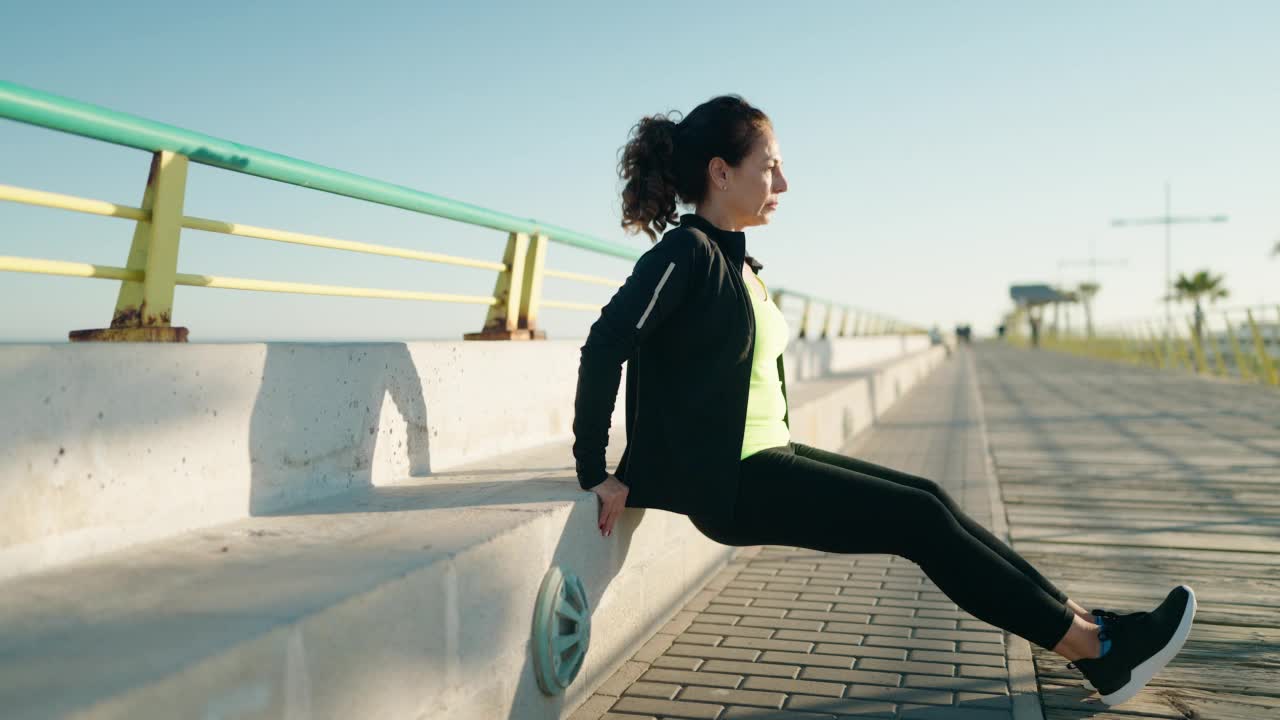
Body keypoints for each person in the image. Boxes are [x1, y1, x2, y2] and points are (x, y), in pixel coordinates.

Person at [570, 94, 1196, 707]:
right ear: (720, 172)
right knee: (918, 523)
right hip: (733, 482)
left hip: (766, 455)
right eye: (769, 166)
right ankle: (1097, 650)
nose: (782, 182)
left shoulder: (741, 264)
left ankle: (1091, 627)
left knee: (930, 499)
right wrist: (596, 471)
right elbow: (605, 345)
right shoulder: (687, 253)